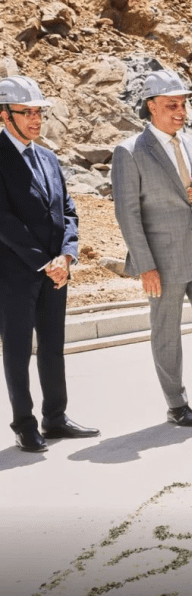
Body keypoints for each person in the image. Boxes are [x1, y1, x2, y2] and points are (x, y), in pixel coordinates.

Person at [112, 69, 192, 426]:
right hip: (162, 258)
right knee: (166, 330)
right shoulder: (129, 152)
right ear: (151, 106)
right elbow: (128, 213)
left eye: (183, 104)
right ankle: (176, 403)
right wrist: (146, 265)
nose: (180, 111)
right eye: (172, 104)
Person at [0, 76, 99, 452]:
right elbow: (4, 220)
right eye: (27, 112)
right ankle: (24, 425)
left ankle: (54, 419)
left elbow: (68, 210)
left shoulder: (48, 157)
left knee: (54, 347)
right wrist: (45, 263)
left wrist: (68, 255)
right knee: (18, 350)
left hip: (57, 271)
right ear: (4, 115)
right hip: (15, 275)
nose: (35, 119)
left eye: (39, 112)